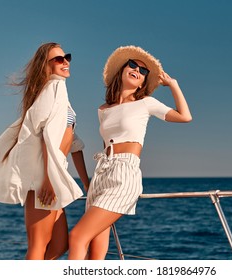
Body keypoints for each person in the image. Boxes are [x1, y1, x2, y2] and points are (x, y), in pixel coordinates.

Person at [68, 45, 192, 260]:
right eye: (133, 65)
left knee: (77, 236)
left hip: (125, 173)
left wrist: (173, 85)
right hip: (101, 174)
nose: (137, 70)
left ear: (144, 81)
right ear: (123, 70)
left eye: (143, 71)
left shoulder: (146, 103)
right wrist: (88, 183)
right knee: (95, 251)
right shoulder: (103, 110)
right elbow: (106, 143)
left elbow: (185, 116)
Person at [0, 42, 88, 260]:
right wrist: (49, 181)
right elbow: (46, 135)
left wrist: (86, 182)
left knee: (60, 246)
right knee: (38, 247)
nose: (65, 62)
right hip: (45, 182)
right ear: (46, 66)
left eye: (67, 57)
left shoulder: (59, 92)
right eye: (58, 59)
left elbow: (72, 142)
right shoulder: (53, 89)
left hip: (52, 180)